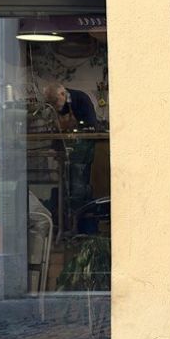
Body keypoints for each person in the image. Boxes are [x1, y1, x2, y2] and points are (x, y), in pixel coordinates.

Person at [43, 82, 100, 230]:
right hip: (67, 152)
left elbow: (91, 127)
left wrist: (78, 135)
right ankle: (67, 225)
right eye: (51, 104)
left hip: (83, 149)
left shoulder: (81, 99)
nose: (55, 107)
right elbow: (58, 130)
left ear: (62, 94)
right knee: (65, 188)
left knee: (78, 188)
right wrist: (54, 147)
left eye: (55, 102)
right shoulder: (59, 106)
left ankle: (80, 227)